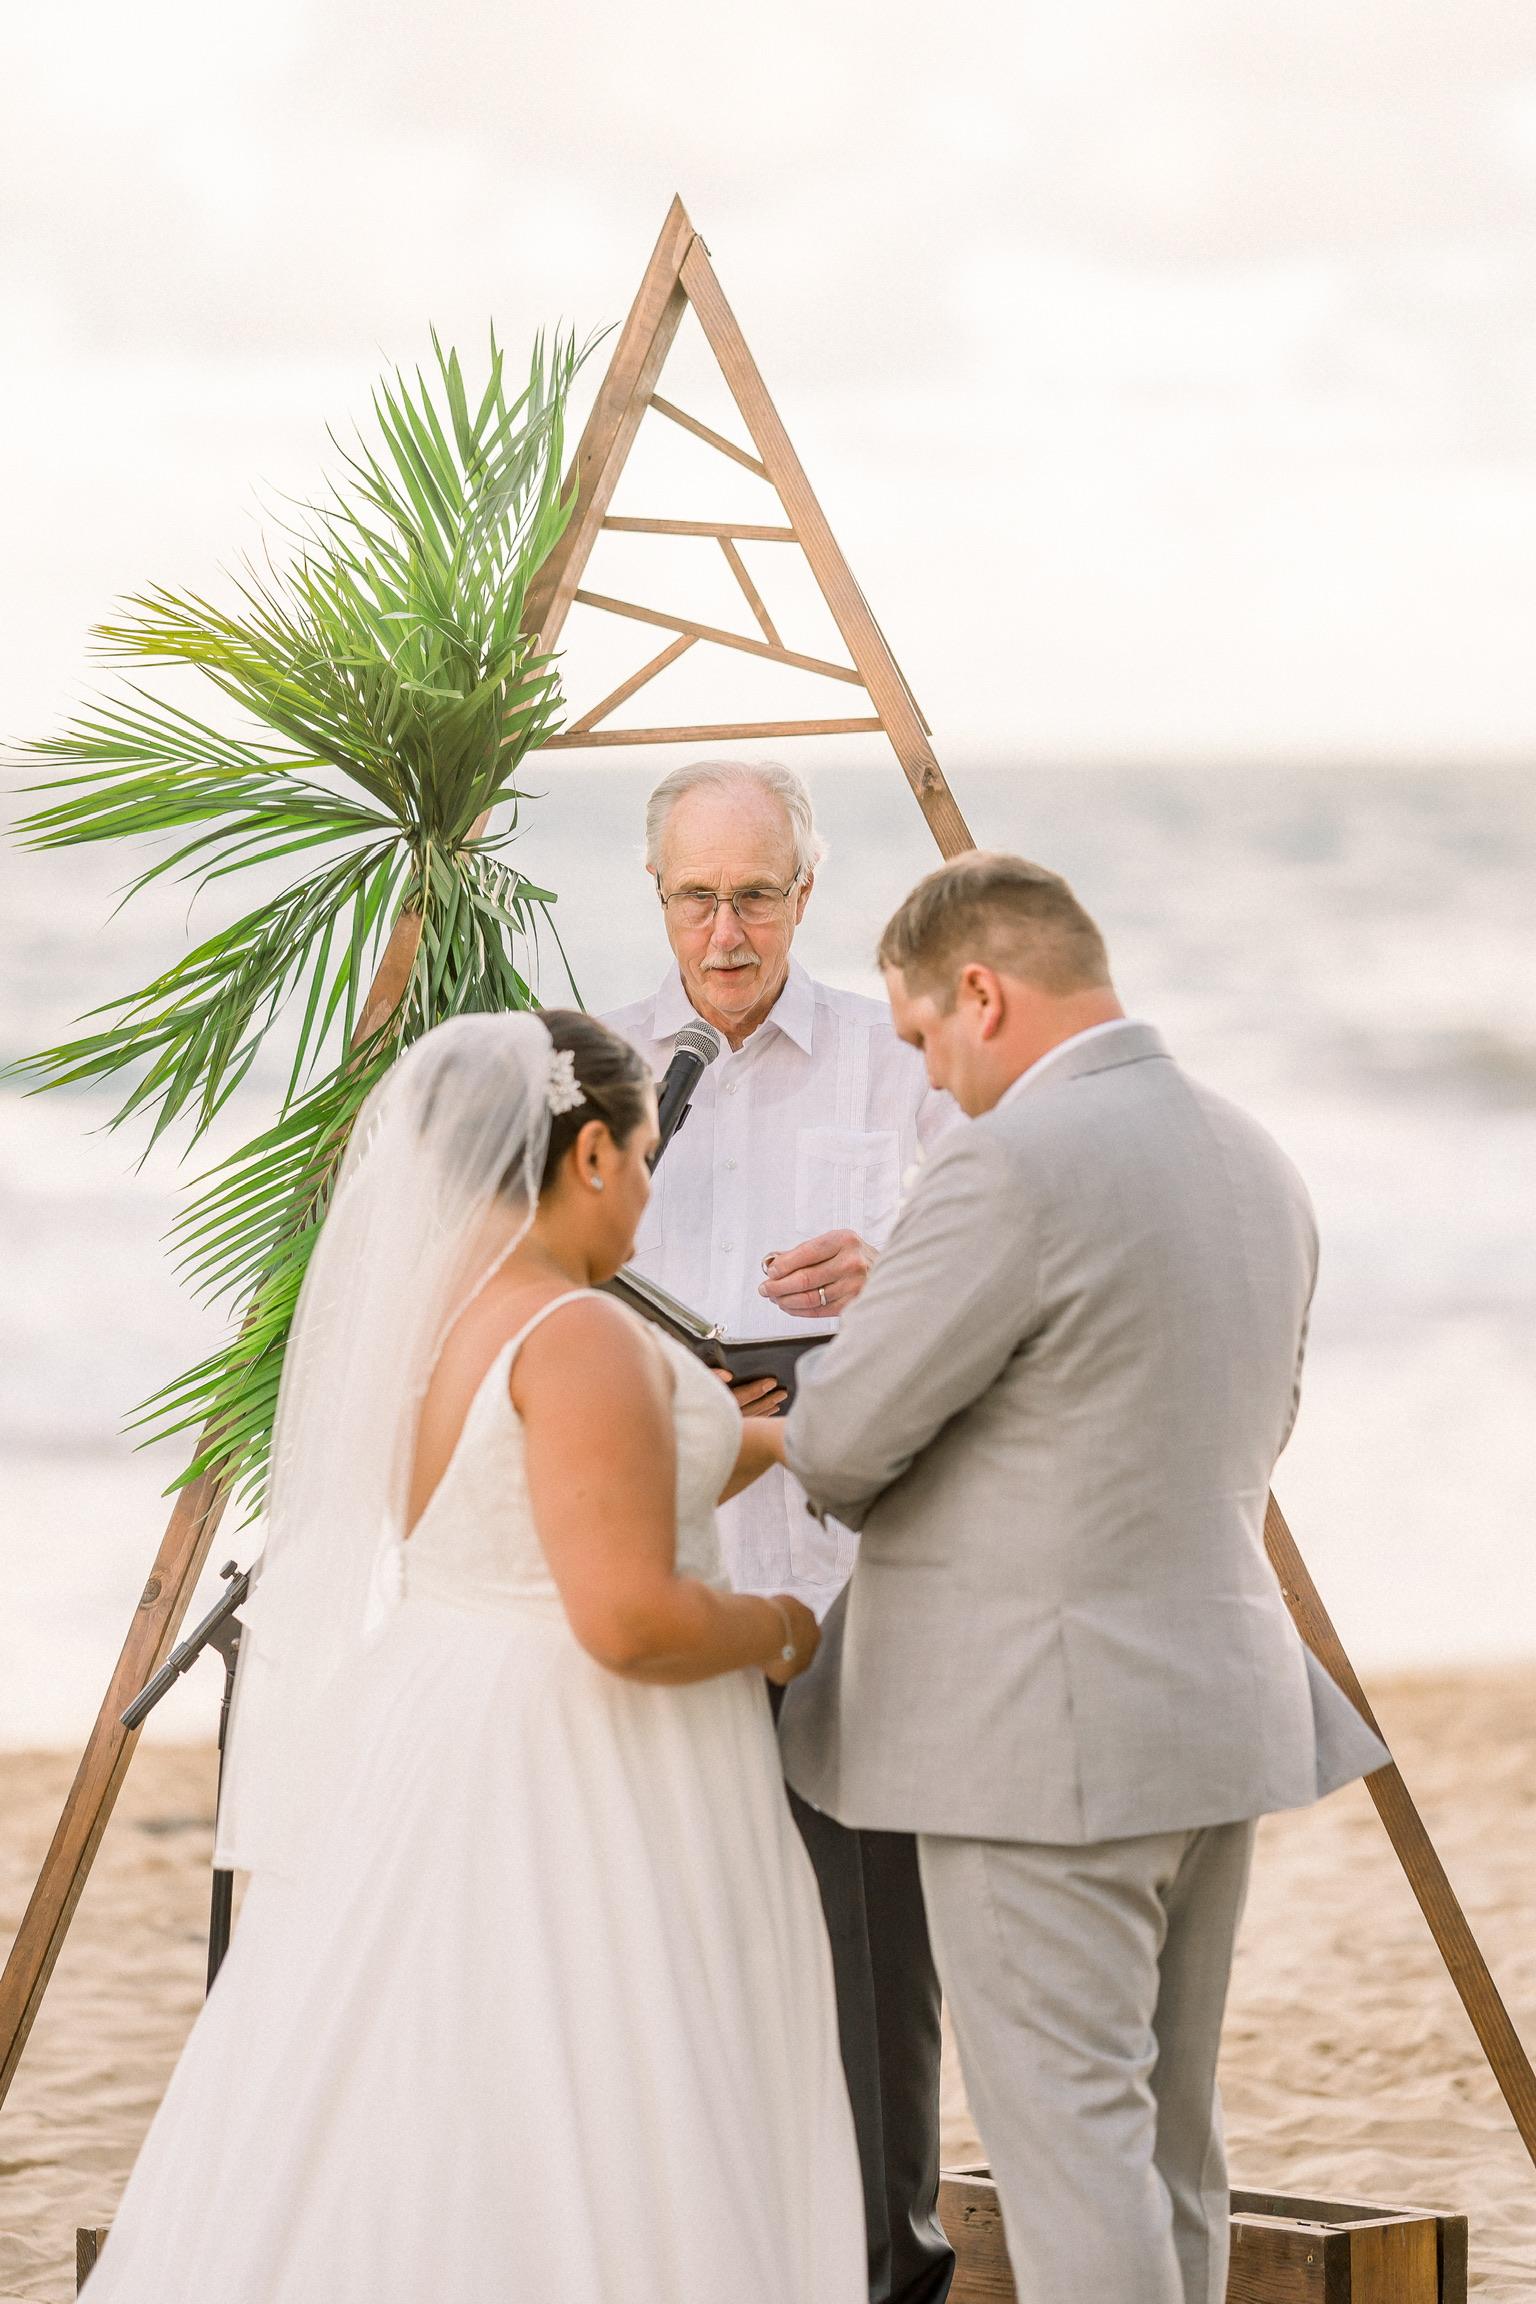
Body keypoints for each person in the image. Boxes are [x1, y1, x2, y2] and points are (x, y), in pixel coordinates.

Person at [84, 1011, 866, 2304]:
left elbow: (559, 1498)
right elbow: (628, 1620)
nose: (649, 1193)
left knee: (431, 2072)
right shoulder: (579, 1333)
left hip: (436, 1729)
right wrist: (785, 1627)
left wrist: (778, 1444)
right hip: (586, 1762)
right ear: (593, 1156)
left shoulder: (438, 1324)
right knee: (606, 2086)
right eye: (646, 1158)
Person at [778, 853, 1390, 2304]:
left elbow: (842, 1443)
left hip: (1035, 1744)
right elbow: (1230, 1425)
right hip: (1219, 1710)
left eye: (924, 1038)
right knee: (1171, 2145)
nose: (931, 1077)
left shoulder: (1006, 1164)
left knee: (1070, 2157)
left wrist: (858, 1346)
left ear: (981, 993)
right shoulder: (1252, 1153)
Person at [604, 757, 956, 2304]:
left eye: (756, 896)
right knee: (665, 1971)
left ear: (807, 896)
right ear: (658, 897)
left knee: (870, 1972)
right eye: (696, 897)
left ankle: (889, 2274)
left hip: (845, 1592)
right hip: (659, 1583)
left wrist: (891, 1273)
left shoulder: (898, 1067)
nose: (726, 933)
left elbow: (1002, 1281)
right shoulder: (602, 1068)